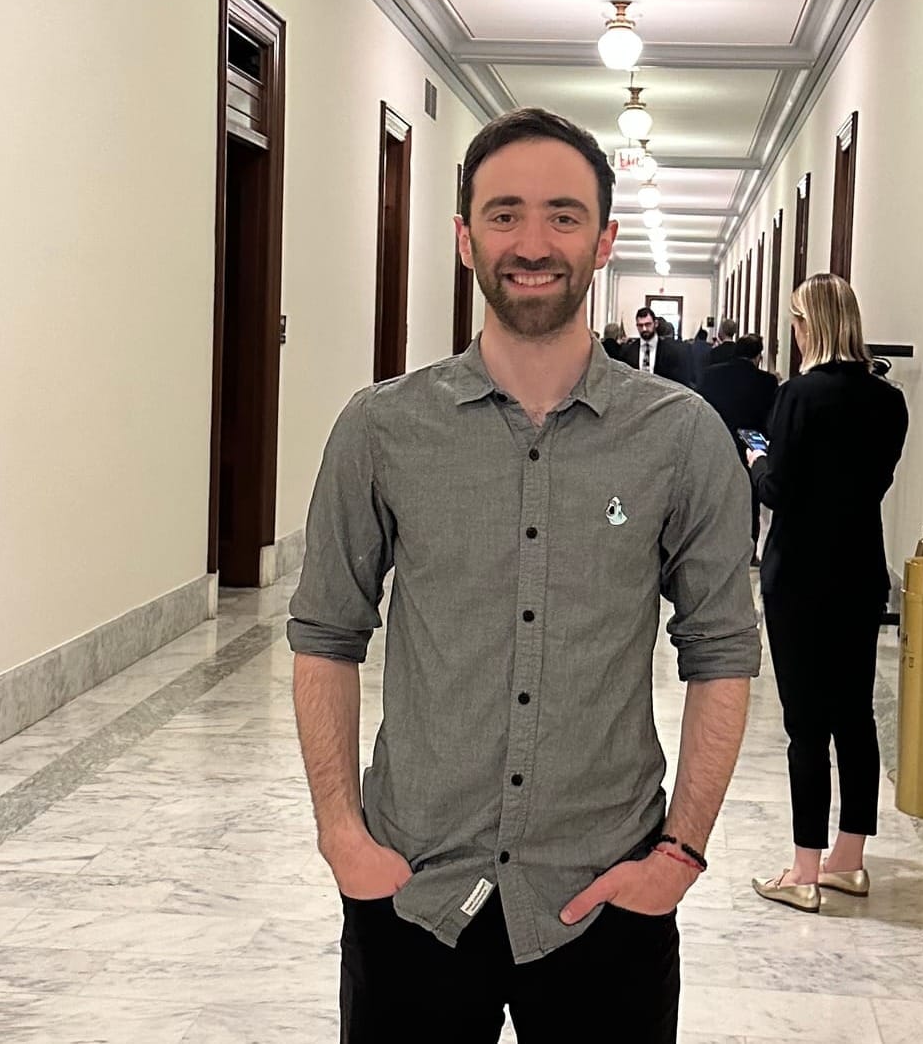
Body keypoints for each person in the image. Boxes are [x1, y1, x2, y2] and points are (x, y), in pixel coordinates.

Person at [289, 106, 760, 1040]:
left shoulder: (680, 437)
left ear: (605, 239)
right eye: (504, 214)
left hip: (604, 898)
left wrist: (682, 853)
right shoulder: (381, 430)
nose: (533, 242)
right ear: (464, 238)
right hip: (413, 889)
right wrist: (342, 833)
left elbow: (722, 654)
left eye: (563, 215)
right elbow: (325, 637)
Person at [744, 274, 908, 914]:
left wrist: (756, 461)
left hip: (801, 576)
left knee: (804, 725)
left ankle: (803, 869)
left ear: (809, 324)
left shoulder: (798, 397)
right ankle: (849, 858)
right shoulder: (888, 402)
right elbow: (873, 480)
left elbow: (781, 489)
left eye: (795, 319)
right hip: (861, 569)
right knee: (855, 716)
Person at [696, 334, 778, 550]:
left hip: (716, 440)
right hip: (751, 445)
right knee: (750, 497)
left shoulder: (711, 375)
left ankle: (712, 541)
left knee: (714, 493)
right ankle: (749, 544)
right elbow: (770, 420)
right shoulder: (767, 382)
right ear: (758, 357)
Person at [629, 306, 695, 385]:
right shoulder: (628, 350)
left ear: (655, 324)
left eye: (648, 324)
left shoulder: (671, 351)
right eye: (640, 325)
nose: (644, 329)